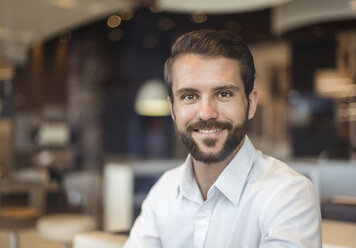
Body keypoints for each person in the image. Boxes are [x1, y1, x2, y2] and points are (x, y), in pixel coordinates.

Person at [124, 29, 321, 247]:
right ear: (173, 109)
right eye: (189, 96)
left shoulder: (288, 194)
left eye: (224, 94)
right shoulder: (164, 191)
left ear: (251, 103)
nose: (206, 113)